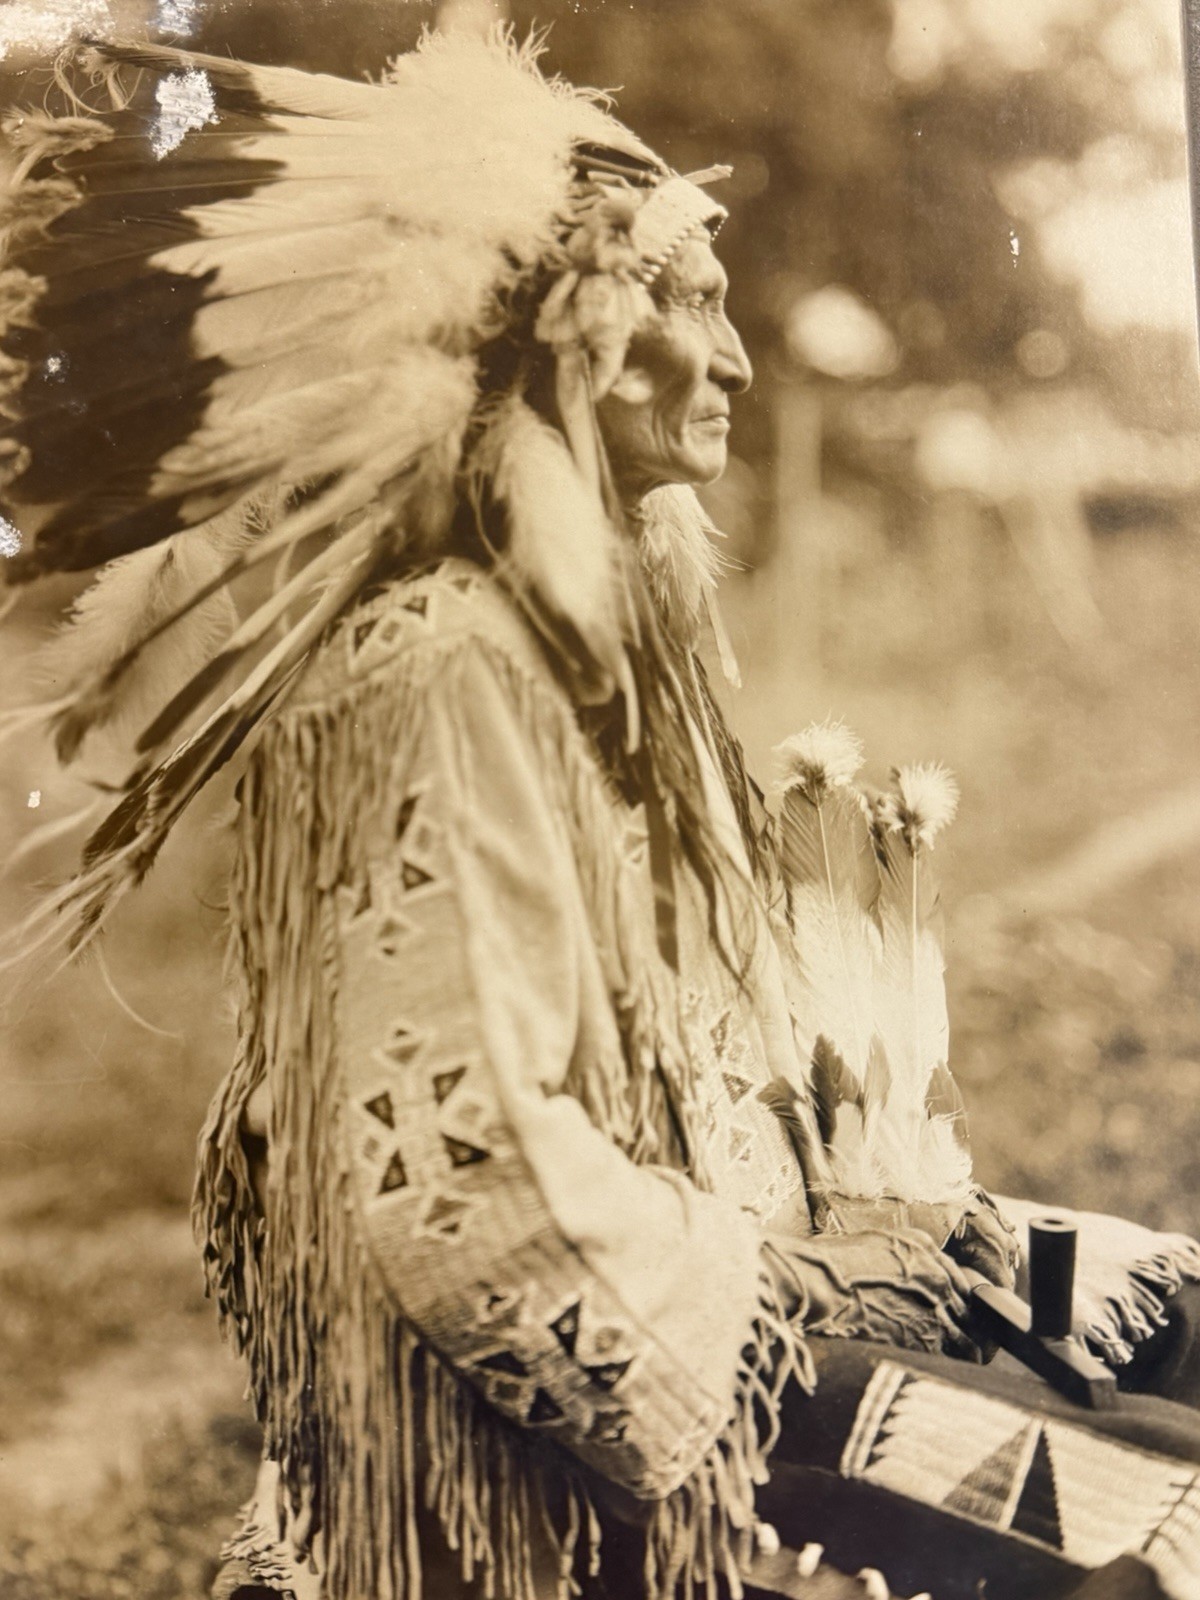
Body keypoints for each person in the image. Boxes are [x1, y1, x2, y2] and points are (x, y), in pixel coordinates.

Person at [2, 29, 1200, 1600]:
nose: (741, 357)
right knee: (1156, 1531)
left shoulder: (575, 649)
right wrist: (790, 1292)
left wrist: (883, 1232)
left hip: (675, 1338)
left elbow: (659, 1091)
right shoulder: (434, 670)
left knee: (1170, 1318)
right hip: (529, 1489)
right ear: (562, 331)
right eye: (689, 299)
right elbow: (462, 1209)